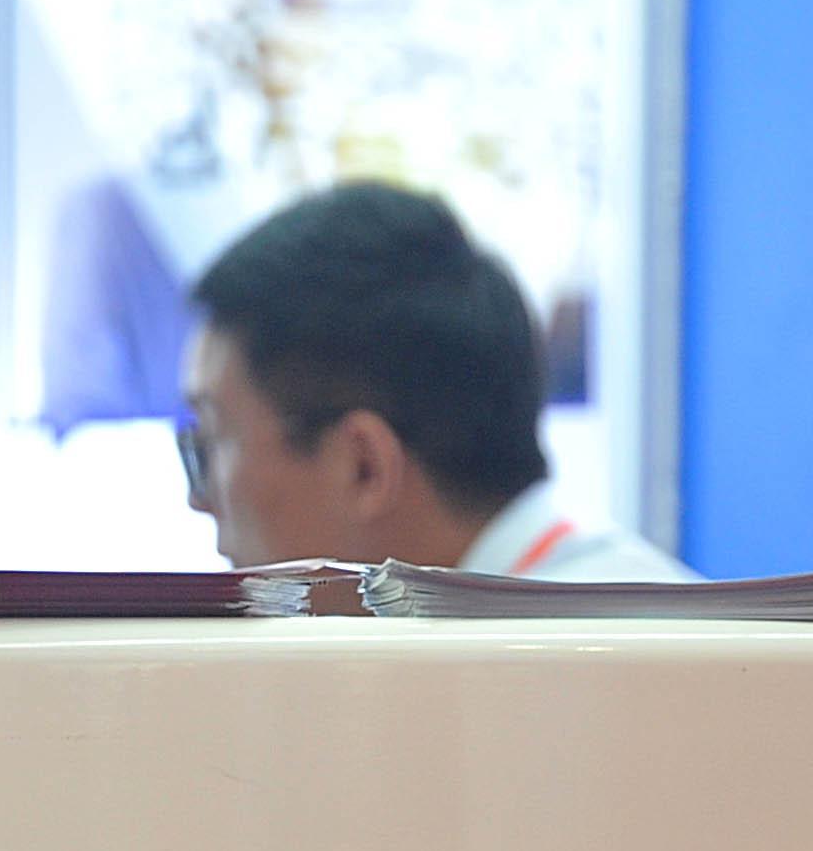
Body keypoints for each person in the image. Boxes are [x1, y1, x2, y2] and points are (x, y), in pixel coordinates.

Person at [175, 181, 690, 579]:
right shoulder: (605, 624)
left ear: (363, 467)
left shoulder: (556, 665)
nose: (199, 501)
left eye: (209, 443)